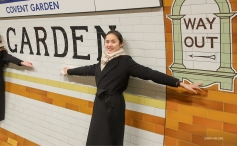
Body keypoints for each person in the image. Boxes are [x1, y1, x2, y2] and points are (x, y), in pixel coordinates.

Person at [62, 30, 202, 146]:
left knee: (110, 139)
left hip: (113, 104)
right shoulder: (103, 60)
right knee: (96, 136)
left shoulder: (125, 62)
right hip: (100, 103)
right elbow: (88, 69)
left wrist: (178, 83)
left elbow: (149, 73)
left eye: (113, 41)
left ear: (121, 44)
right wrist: (69, 71)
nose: (109, 45)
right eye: (107, 41)